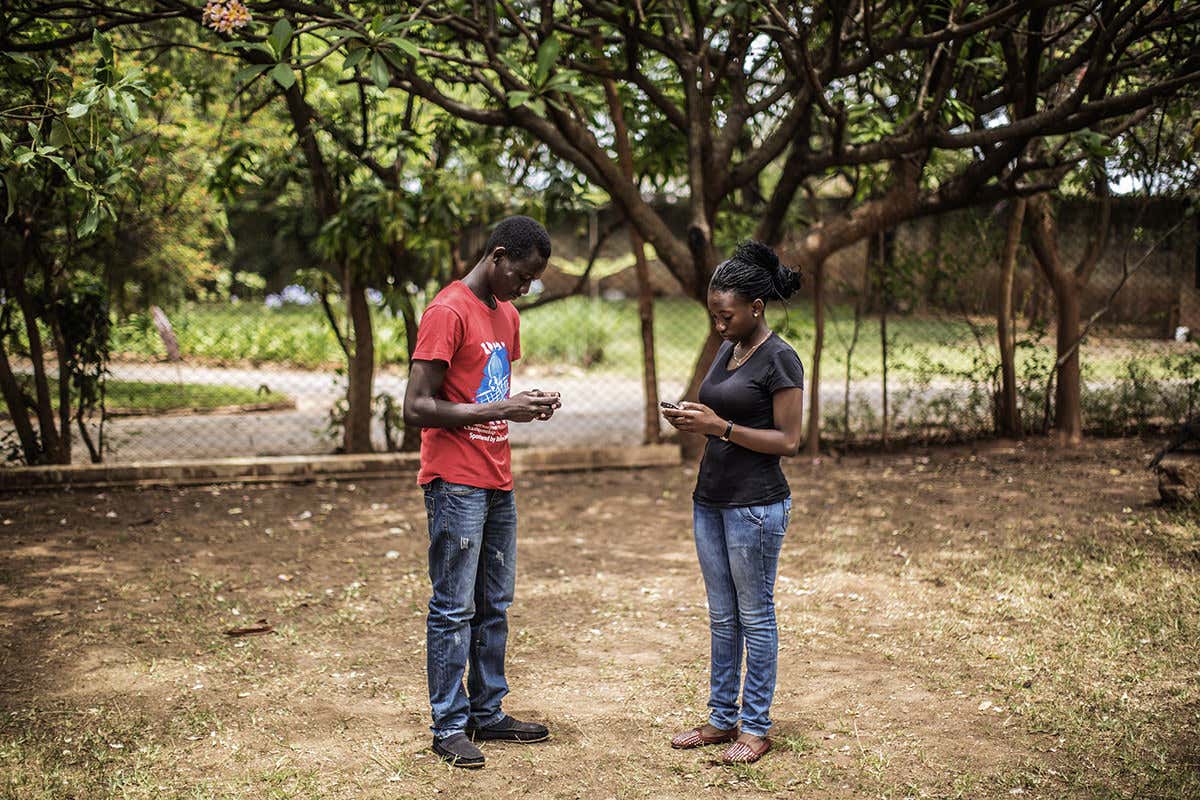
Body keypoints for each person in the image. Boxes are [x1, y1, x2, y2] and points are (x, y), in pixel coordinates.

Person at [403, 215, 562, 769]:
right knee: (454, 607)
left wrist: (524, 406)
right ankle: (449, 726)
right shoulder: (447, 311)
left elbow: (487, 393)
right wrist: (501, 407)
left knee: (495, 603)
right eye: (522, 275)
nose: (526, 287)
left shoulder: (507, 315)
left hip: (497, 479)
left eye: (533, 279)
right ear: (497, 256)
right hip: (455, 482)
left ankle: (486, 712)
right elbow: (416, 406)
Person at [662, 240, 805, 765]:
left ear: (756, 308)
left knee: (755, 616)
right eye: (714, 316)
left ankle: (756, 726)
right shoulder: (731, 347)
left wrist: (719, 427)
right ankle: (722, 718)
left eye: (726, 316)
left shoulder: (781, 358)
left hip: (755, 507)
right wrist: (694, 418)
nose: (718, 325)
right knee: (723, 617)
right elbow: (724, 410)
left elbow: (789, 441)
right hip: (711, 499)